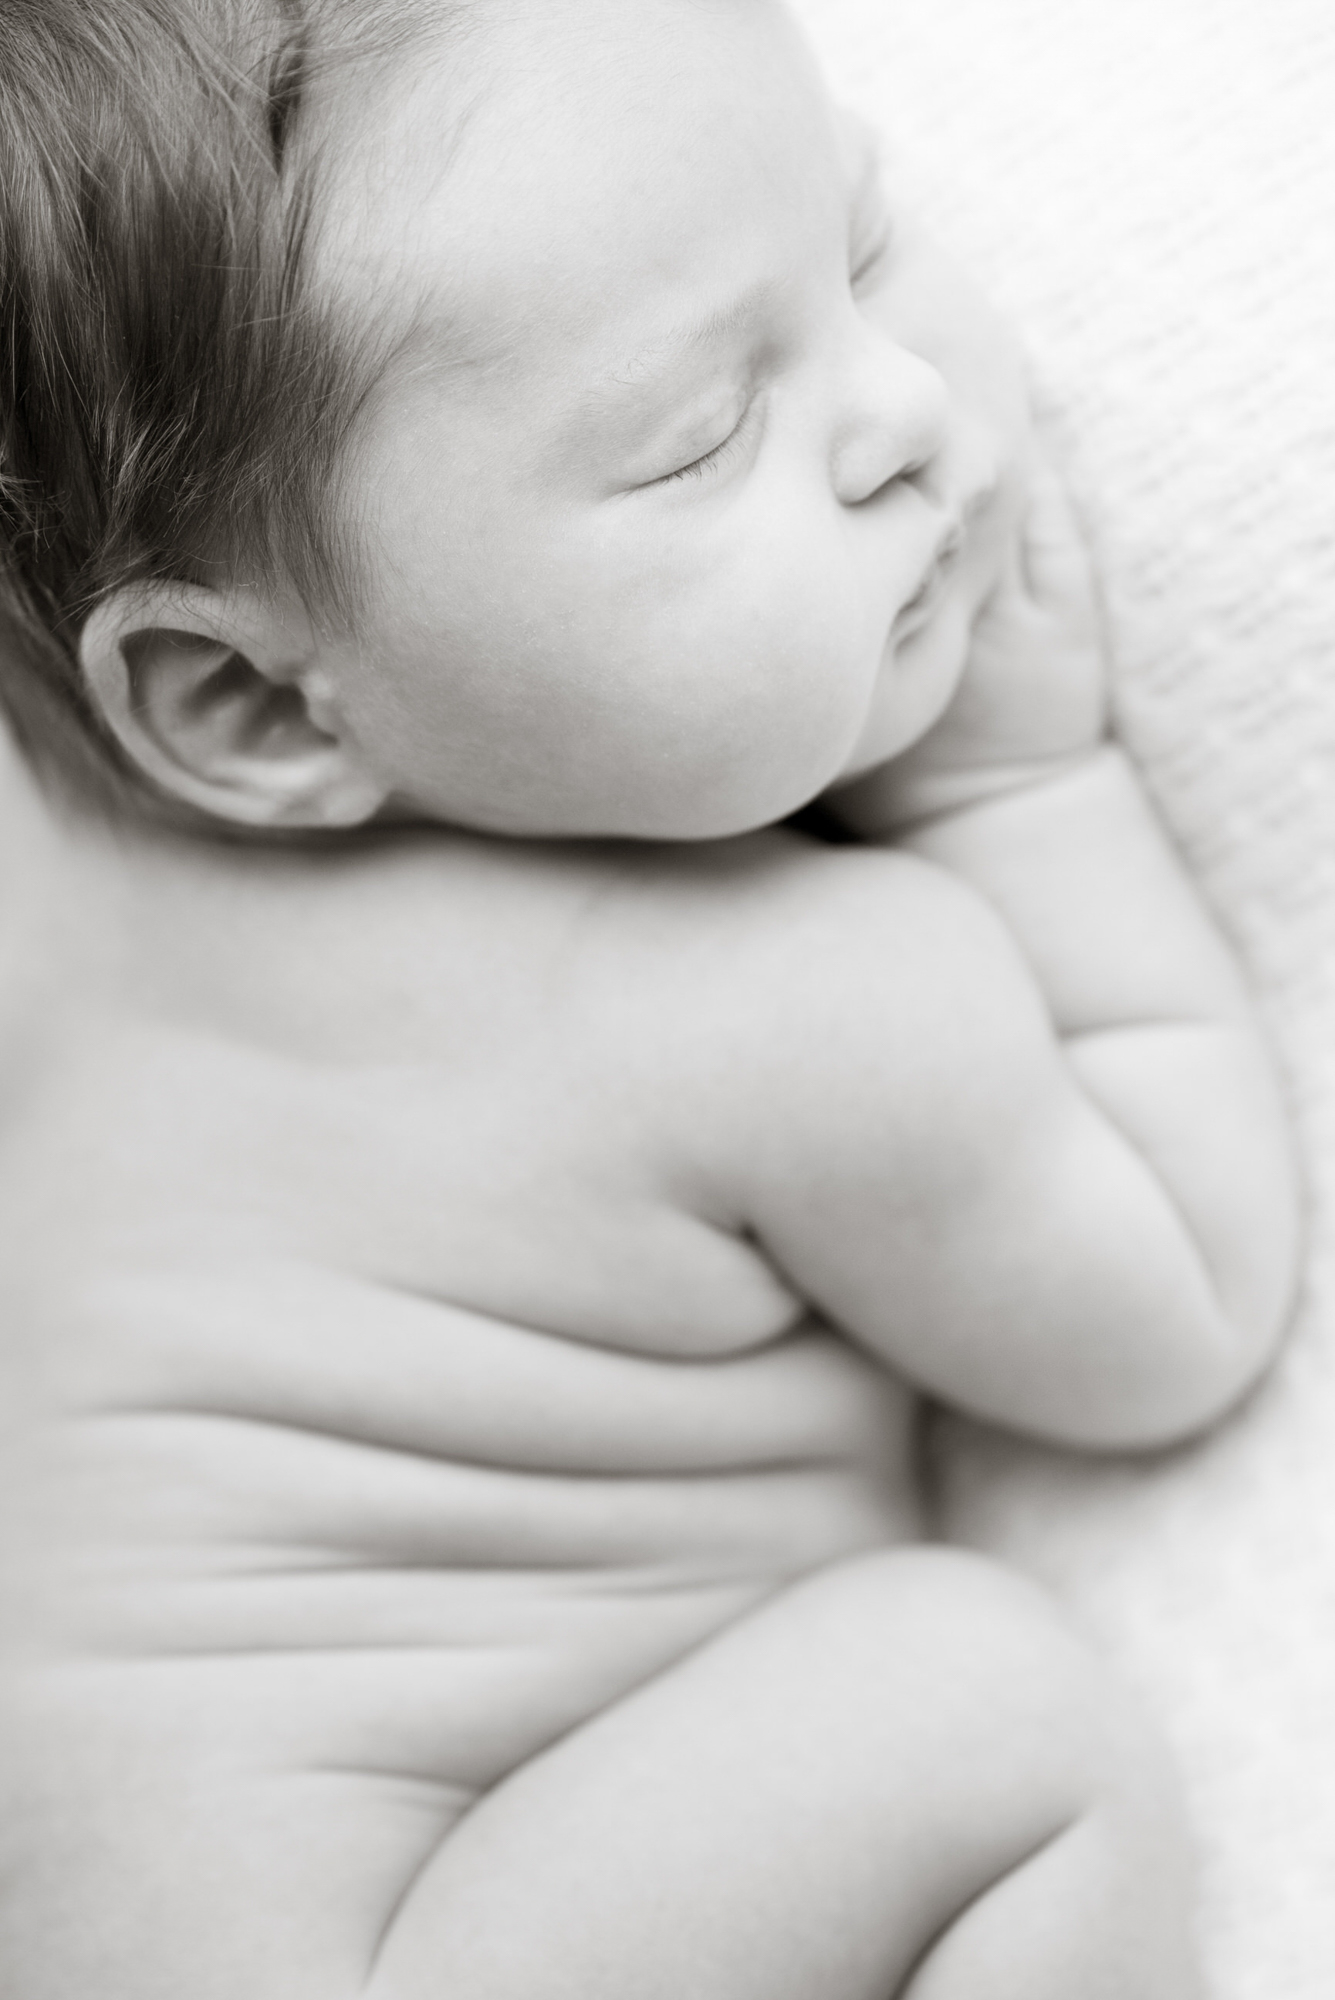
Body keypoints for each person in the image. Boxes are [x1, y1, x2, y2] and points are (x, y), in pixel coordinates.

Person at [0, 0, 1299, 1993]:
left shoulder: (58, 889)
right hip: (408, 1951)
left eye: (857, 233)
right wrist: (1022, 789)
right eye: (703, 427)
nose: (904, 414)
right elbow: (1179, 1310)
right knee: (991, 1708)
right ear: (248, 701)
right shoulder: (795, 1006)